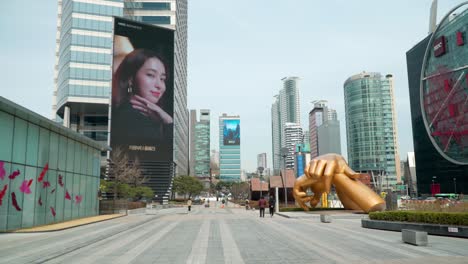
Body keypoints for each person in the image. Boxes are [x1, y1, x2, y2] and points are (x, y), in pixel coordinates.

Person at [111, 48, 173, 158]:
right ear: (130, 78)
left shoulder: (150, 117)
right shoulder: (128, 118)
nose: (159, 85)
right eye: (150, 75)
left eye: (162, 78)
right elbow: (163, 158)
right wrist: (169, 123)